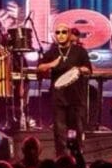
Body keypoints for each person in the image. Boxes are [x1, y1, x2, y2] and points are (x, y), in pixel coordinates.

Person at [37, 24, 92, 156]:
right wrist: (51, 64)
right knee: (60, 132)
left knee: (77, 130)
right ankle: (62, 158)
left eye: (63, 32)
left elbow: (88, 69)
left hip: (76, 98)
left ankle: (77, 157)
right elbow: (39, 68)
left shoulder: (79, 51)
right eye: (57, 32)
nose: (60, 35)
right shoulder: (52, 53)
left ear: (69, 34)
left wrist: (79, 69)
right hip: (58, 98)